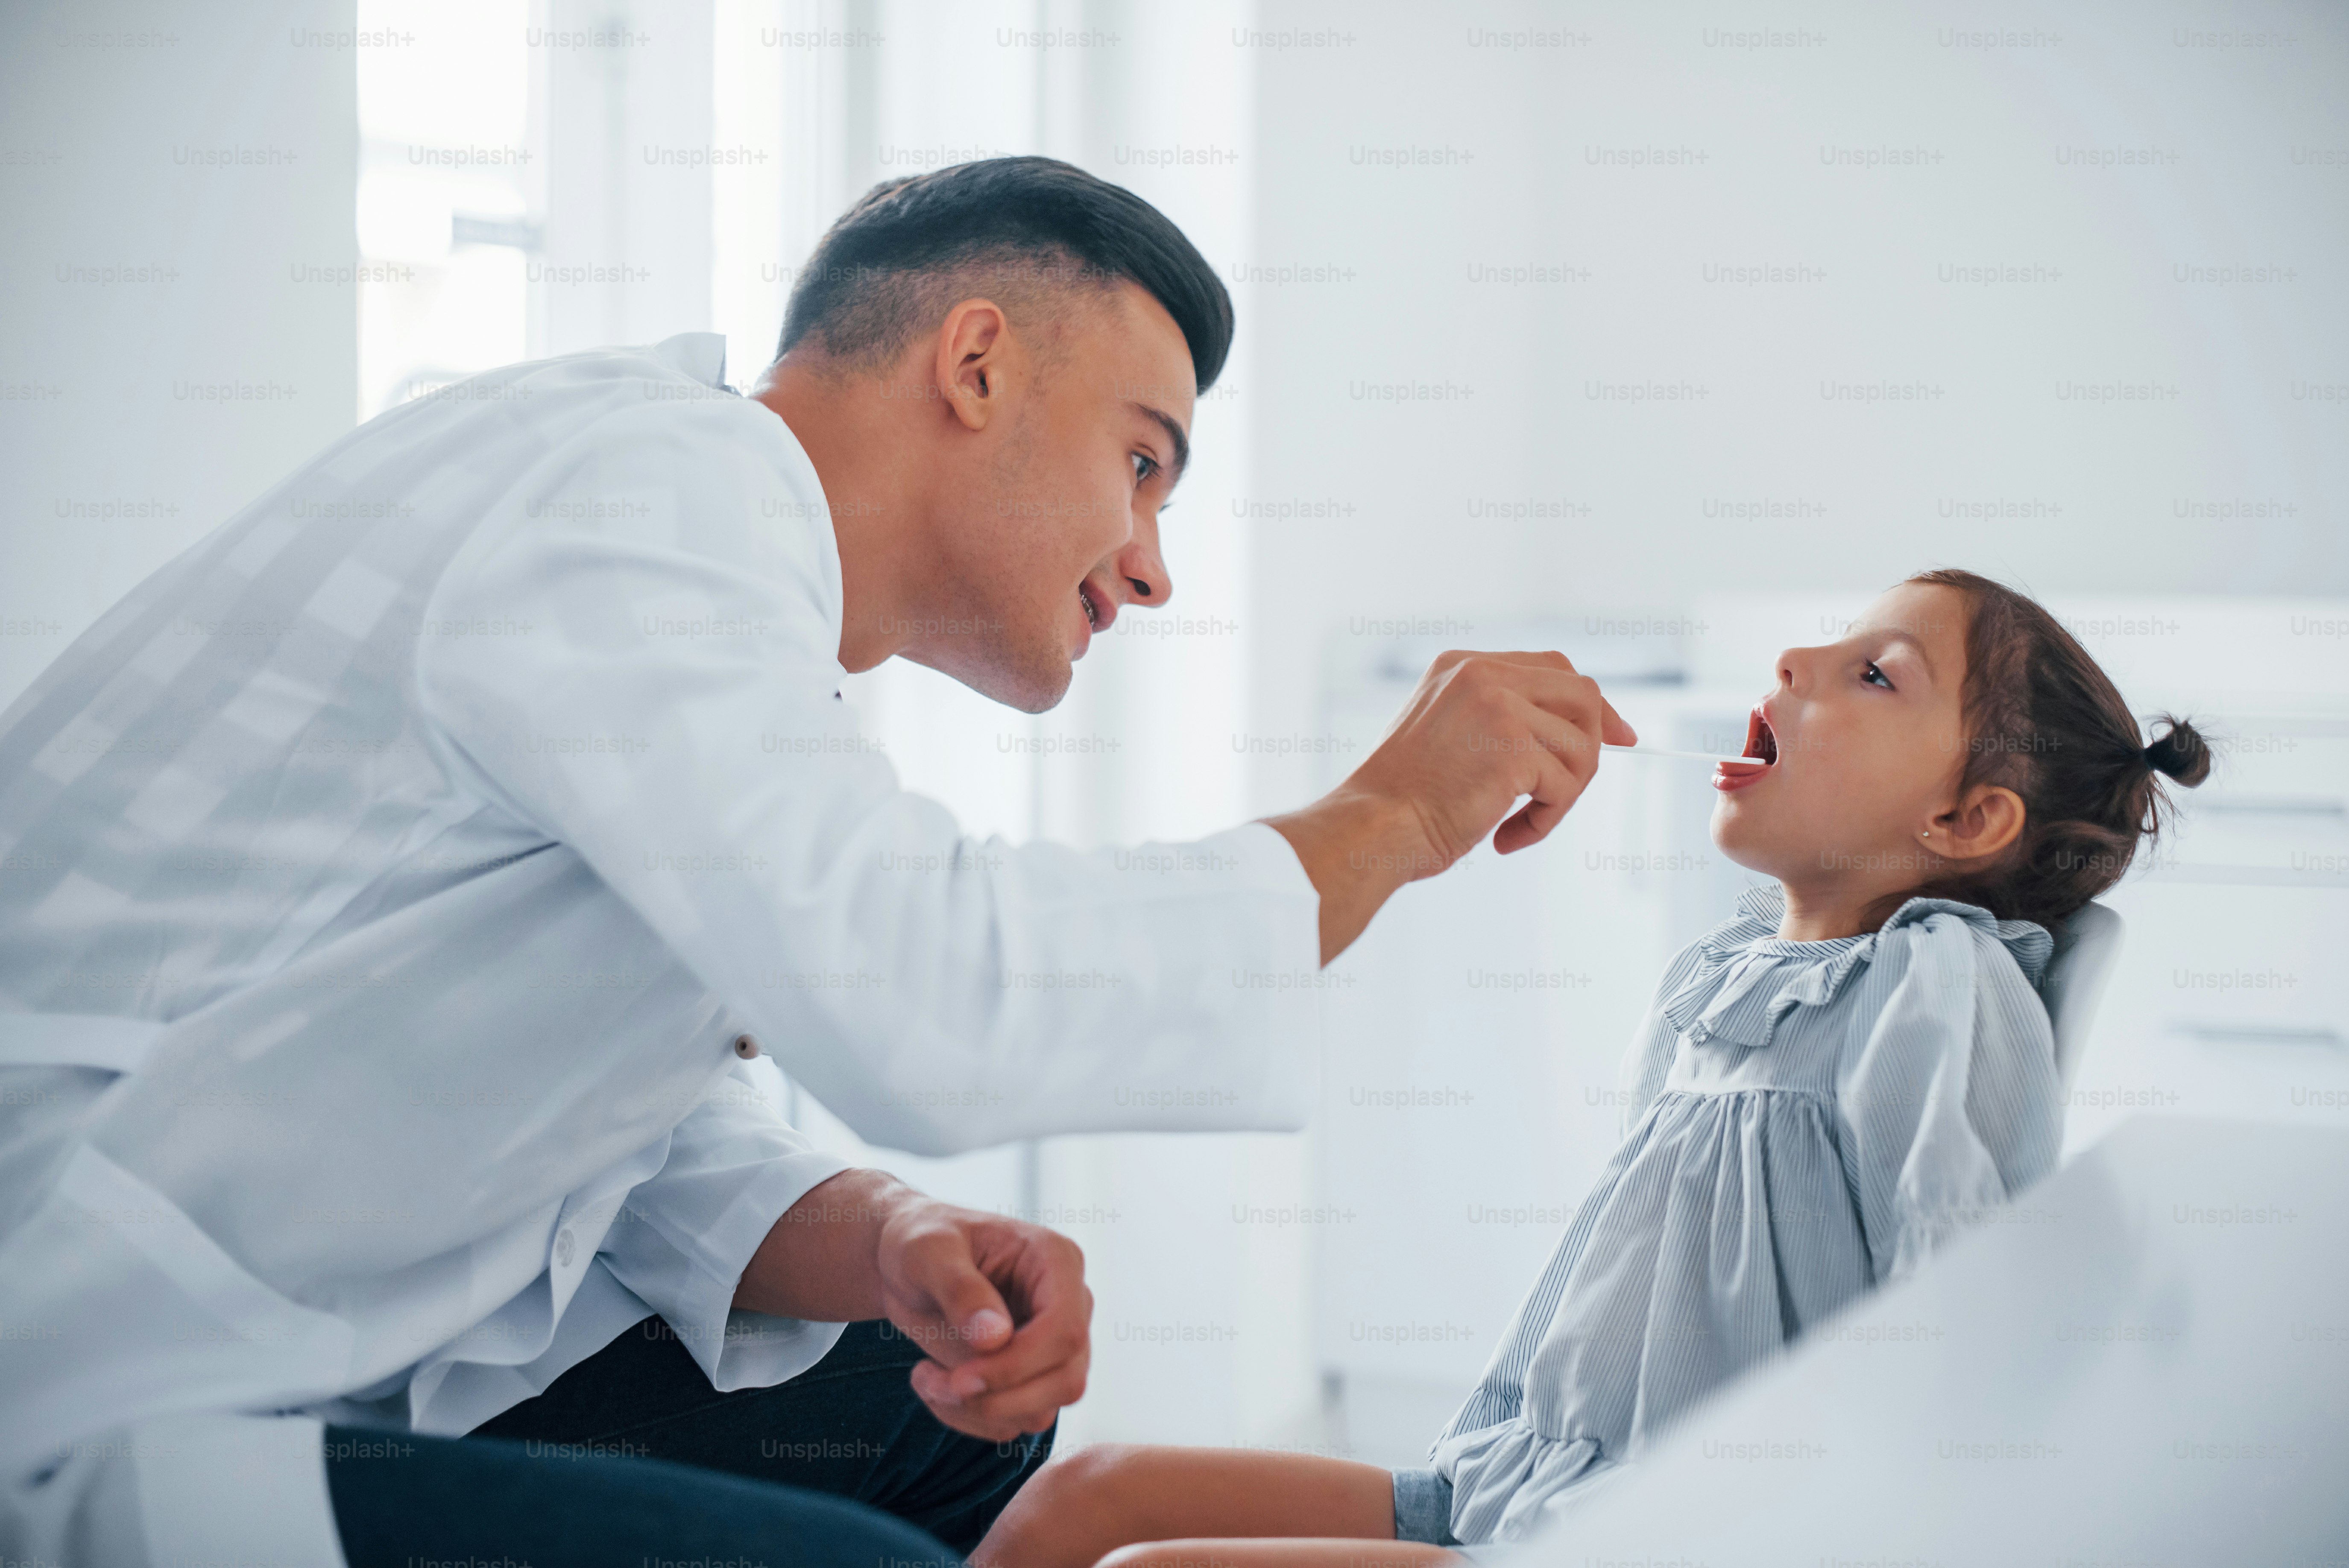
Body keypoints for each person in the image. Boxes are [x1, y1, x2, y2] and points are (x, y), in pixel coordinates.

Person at [0, 158, 1630, 1568]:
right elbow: (935, 993)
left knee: (917, 1416)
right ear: (978, 361)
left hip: (257, 1334)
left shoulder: (708, 587)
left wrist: (883, 1235)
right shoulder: (646, 493)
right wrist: (1393, 820)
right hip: (83, 1368)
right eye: (1141, 462)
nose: (1149, 569)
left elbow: (596, 1106)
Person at [971, 569, 2212, 1568]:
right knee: (1090, 1491)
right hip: (1531, 1484)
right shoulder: (1723, 974)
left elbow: (1958, 1303)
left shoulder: (1938, 983)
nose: (1793, 665)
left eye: (1873, 676)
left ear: (1963, 823)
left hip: (1670, 1534)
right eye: (1828, 646)